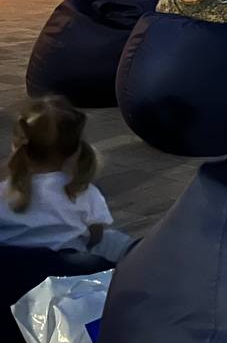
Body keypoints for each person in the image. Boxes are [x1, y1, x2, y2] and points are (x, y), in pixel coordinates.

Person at [0, 96, 132, 261]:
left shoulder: (4, 192)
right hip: (67, 268)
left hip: (13, 271)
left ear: (17, 145)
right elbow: (96, 235)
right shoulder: (81, 192)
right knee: (118, 242)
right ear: (75, 150)